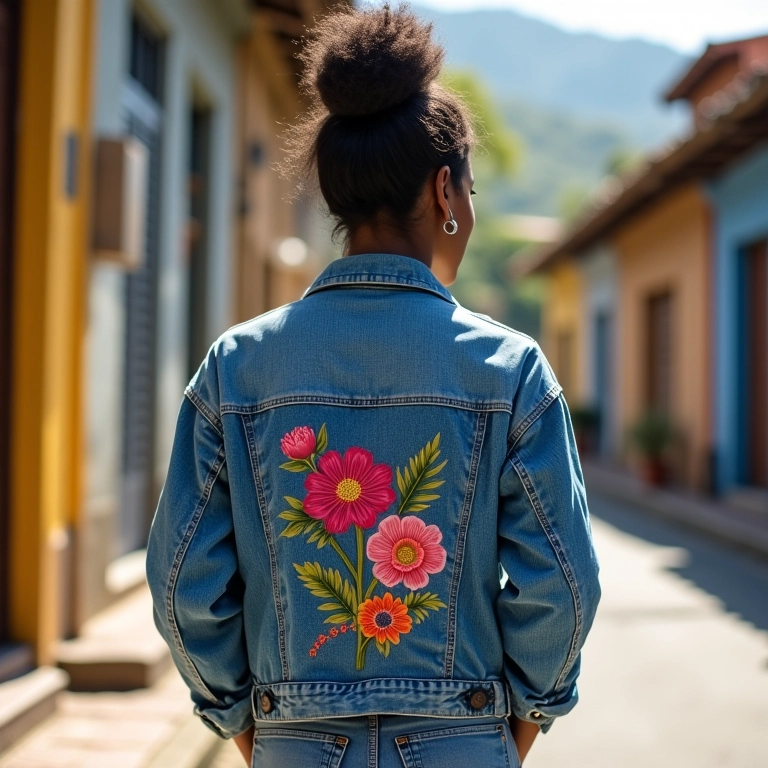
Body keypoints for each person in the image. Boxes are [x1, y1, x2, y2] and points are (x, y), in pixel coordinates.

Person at [145, 3, 601, 766]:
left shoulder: (235, 366)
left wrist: (249, 725)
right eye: (471, 192)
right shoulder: (510, 370)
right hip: (465, 740)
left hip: (294, 741)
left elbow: (180, 580)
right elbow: (564, 582)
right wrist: (517, 728)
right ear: (444, 194)